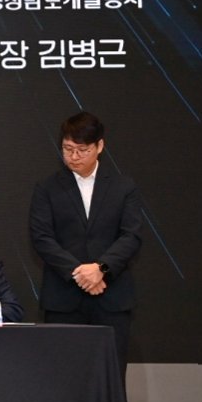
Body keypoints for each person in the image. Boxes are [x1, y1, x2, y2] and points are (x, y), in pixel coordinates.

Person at [30, 111, 143, 379]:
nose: (74, 156)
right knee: (63, 379)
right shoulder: (47, 188)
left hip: (112, 299)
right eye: (68, 149)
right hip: (64, 299)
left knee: (110, 378)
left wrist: (101, 268)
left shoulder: (123, 187)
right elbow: (41, 237)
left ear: (99, 146)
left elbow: (132, 236)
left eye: (82, 150)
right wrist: (80, 273)